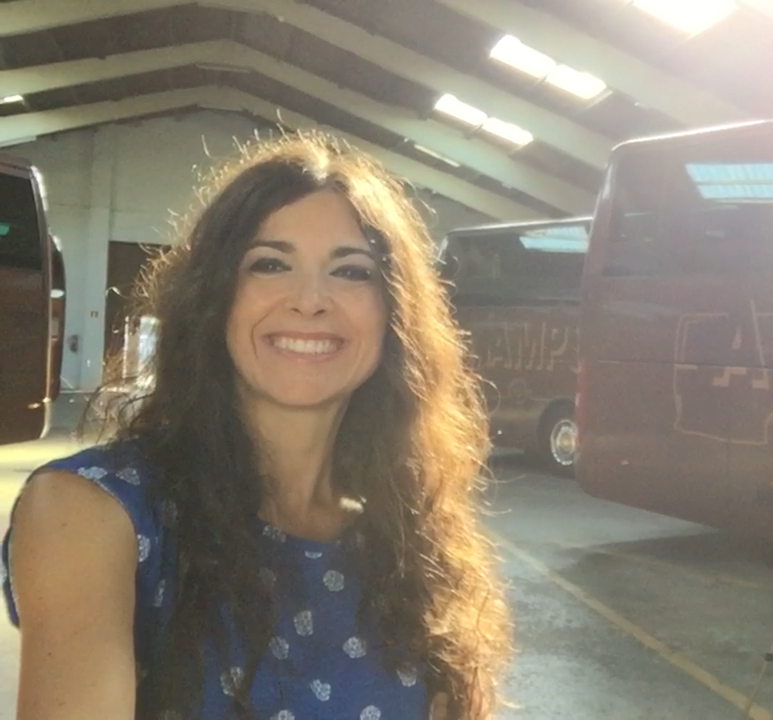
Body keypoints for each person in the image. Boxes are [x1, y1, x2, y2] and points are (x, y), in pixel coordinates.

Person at [1, 133, 512, 719]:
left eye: (352, 271)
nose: (310, 300)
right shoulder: (93, 513)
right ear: (213, 298)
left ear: (394, 316)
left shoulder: (411, 540)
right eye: (270, 264)